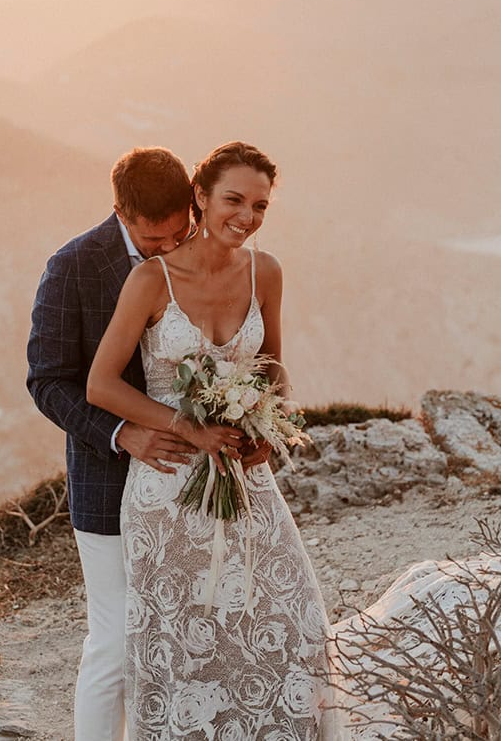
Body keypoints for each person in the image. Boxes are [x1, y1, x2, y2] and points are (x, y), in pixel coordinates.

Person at [87, 141, 343, 740]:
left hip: (245, 480)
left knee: (291, 616)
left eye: (260, 206)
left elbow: (273, 366)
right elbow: (100, 384)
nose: (247, 217)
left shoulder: (267, 271)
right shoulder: (150, 281)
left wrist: (269, 429)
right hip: (170, 484)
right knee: (185, 637)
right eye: (234, 200)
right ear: (200, 197)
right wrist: (184, 426)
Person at [27, 146, 268, 741]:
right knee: (114, 638)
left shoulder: (206, 256)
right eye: (153, 239)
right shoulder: (74, 266)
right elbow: (47, 380)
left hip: (198, 483)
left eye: (178, 232)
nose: (168, 247)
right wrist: (121, 432)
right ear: (121, 212)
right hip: (109, 479)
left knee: (190, 631)